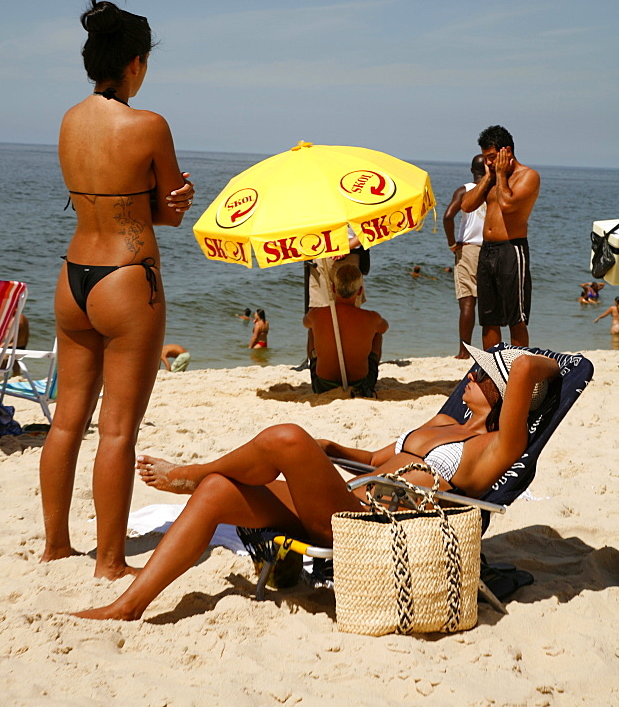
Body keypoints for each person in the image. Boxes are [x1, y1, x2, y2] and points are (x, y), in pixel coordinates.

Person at [73, 344, 560, 620]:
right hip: (342, 501)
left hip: (373, 526)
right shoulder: (443, 422)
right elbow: (375, 458)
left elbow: (530, 369)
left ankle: (192, 471)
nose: (470, 375)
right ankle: (130, 605)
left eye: (482, 373)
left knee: (285, 437)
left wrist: (527, 363)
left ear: (506, 394)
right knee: (219, 491)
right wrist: (331, 449)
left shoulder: (498, 447)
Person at [39, 0, 194, 580]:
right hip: (127, 278)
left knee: (65, 422)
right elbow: (166, 211)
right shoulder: (149, 124)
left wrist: (156, 203)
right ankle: (108, 563)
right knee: (119, 430)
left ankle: (55, 546)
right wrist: (175, 200)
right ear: (135, 63)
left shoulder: (69, 121)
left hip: (73, 274)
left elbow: (102, 202)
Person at [462, 126, 540, 349]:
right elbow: (467, 205)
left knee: (516, 319)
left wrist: (501, 174)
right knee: (488, 320)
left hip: (512, 250)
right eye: (486, 158)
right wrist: (488, 177)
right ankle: (492, 373)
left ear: (507, 152)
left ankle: (518, 369)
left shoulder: (528, 176)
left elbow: (507, 205)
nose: (489, 162)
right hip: (487, 250)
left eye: (492, 157)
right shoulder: (492, 178)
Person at [303, 264, 388, 396]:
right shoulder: (371, 317)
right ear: (360, 291)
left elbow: (305, 322)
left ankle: (314, 362)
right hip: (361, 383)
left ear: (332, 288)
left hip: (322, 385)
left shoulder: (317, 314)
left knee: (311, 330)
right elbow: (384, 327)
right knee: (377, 333)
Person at [443, 154, 486, 360]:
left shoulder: (464, 190)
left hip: (468, 249)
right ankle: (490, 349)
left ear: (471, 170)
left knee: (468, 303)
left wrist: (452, 243)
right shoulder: (495, 189)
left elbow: (448, 216)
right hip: (492, 248)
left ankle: (464, 351)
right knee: (489, 302)